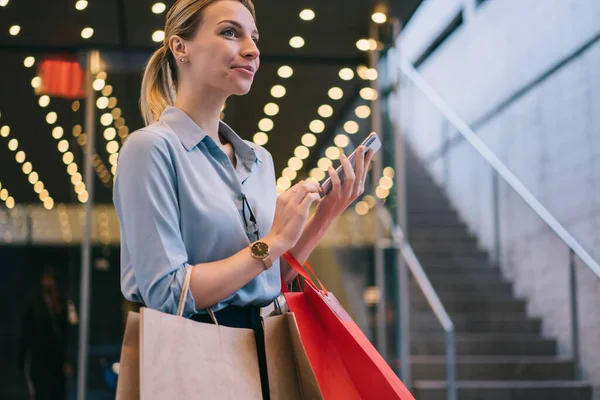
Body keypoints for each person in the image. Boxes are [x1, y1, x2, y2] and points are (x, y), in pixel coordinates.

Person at [113, 0, 374, 398]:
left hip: (268, 354)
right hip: (194, 358)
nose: (252, 50)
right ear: (179, 47)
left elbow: (267, 278)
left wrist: (326, 214)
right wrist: (274, 241)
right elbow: (170, 294)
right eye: (230, 32)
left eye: (254, 37)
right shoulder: (150, 150)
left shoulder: (259, 160)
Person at [19, 266, 72, 400]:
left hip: (57, 362)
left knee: (56, 392)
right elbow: (27, 334)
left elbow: (67, 333)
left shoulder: (63, 305)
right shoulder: (35, 307)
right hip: (39, 360)